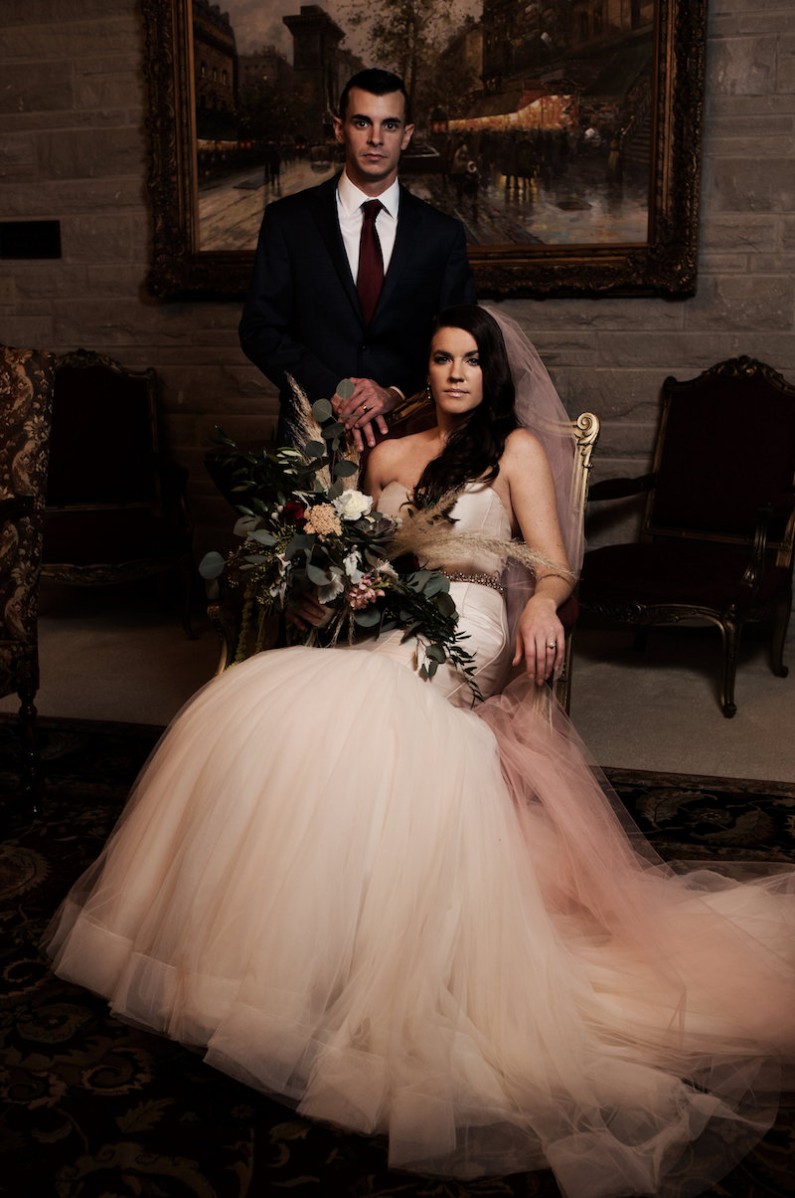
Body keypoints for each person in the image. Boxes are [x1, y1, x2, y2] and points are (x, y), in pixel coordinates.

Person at [45, 307, 795, 1197]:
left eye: (471, 359)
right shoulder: (387, 458)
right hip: (395, 624)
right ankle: (309, 955)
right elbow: (363, 572)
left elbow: (554, 562)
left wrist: (540, 605)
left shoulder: (514, 451)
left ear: (491, 371)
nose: (456, 373)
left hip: (471, 625)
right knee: (264, 701)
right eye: (441, 359)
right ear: (425, 368)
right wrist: (319, 591)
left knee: (368, 707)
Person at [239, 68, 476, 451]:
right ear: (339, 128)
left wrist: (396, 392)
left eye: (390, 125)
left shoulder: (442, 234)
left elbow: (462, 341)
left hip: (413, 437)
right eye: (362, 122)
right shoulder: (288, 222)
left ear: (407, 135)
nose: (376, 138)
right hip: (311, 437)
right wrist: (334, 391)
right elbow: (259, 329)